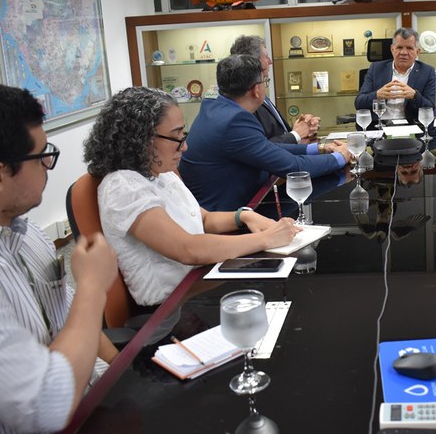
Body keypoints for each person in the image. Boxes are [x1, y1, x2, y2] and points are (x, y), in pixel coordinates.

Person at [0, 80, 119, 432]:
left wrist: (122, 371)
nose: (48, 166)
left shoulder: (24, 229)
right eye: (41, 157)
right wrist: (93, 287)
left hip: (87, 401)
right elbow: (47, 406)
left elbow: (68, 323)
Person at [84, 87, 299, 306]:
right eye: (176, 137)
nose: (184, 146)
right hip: (172, 306)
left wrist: (243, 217)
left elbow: (201, 218)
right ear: (142, 139)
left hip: (200, 280)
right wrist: (265, 239)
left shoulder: (160, 171)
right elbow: (188, 249)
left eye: (183, 134)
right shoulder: (123, 188)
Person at [180, 55, 353, 212]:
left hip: (241, 202)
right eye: (265, 81)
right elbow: (294, 168)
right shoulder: (235, 121)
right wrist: (341, 157)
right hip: (227, 218)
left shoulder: (216, 106)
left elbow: (267, 148)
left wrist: (320, 148)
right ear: (256, 90)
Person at [230, 35, 320, 143]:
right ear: (254, 62)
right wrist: (296, 134)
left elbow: (276, 135)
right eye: (266, 57)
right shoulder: (246, 98)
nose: (270, 61)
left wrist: (299, 130)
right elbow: (261, 148)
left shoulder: (260, 86)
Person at [354, 27, 436, 124]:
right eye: (399, 47)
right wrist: (377, 95)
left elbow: (430, 108)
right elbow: (359, 103)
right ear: (392, 49)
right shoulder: (376, 68)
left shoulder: (427, 72)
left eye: (409, 48)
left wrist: (415, 96)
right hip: (380, 128)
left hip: (412, 128)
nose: (403, 53)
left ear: (417, 52)